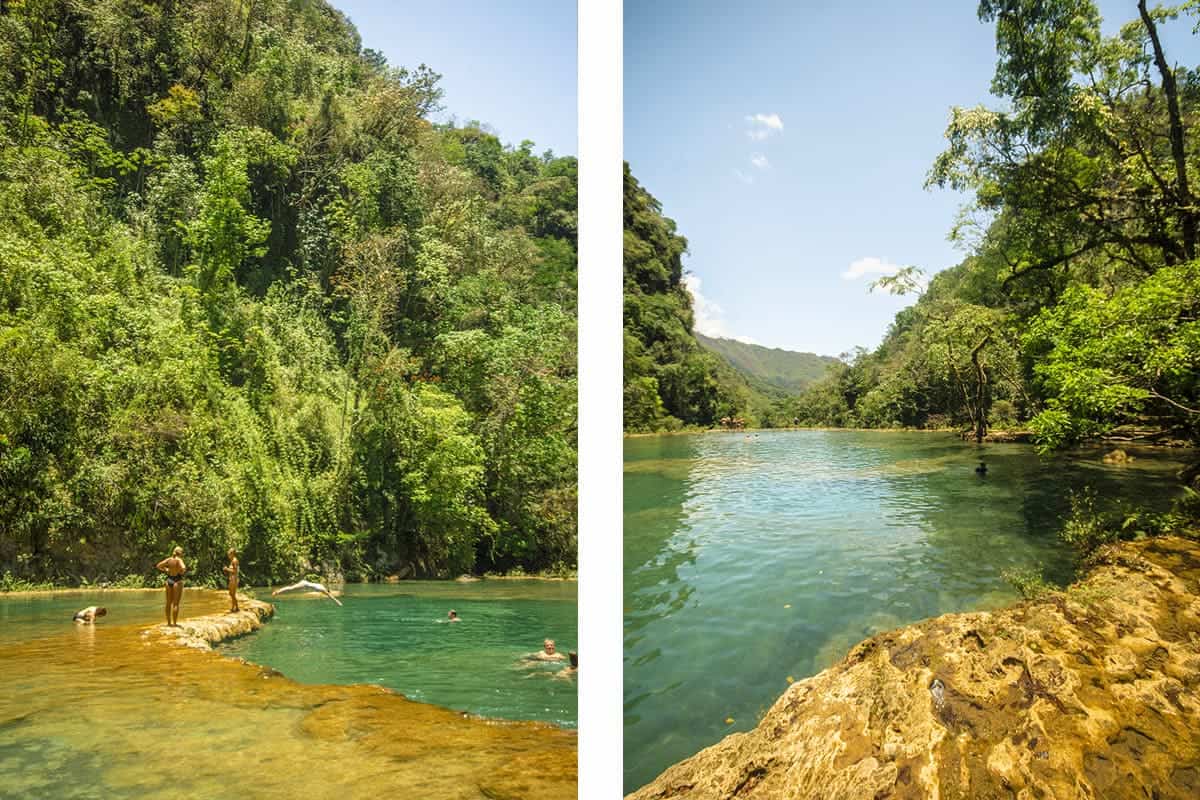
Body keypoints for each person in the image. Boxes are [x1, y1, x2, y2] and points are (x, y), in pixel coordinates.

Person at [156, 546, 186, 627]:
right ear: (180, 553)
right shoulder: (179, 560)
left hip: (169, 580)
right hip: (177, 581)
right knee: (176, 604)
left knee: (168, 603)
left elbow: (158, 566)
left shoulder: (169, 559)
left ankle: (169, 623)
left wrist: (166, 570)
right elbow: (183, 568)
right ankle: (175, 624)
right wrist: (180, 572)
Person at [272, 579, 343, 606]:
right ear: (327, 591)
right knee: (291, 588)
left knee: (291, 588)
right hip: (304, 584)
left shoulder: (322, 586)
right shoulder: (323, 590)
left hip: (305, 582)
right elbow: (330, 596)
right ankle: (277, 592)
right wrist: (338, 602)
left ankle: (277, 591)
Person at [223, 548, 240, 613]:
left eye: (229, 554)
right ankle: (234, 608)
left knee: (232, 594)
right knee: (232, 594)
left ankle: (236, 607)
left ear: (232, 554)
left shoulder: (234, 561)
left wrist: (226, 569)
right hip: (232, 579)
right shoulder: (232, 560)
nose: (228, 556)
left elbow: (235, 571)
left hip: (234, 579)